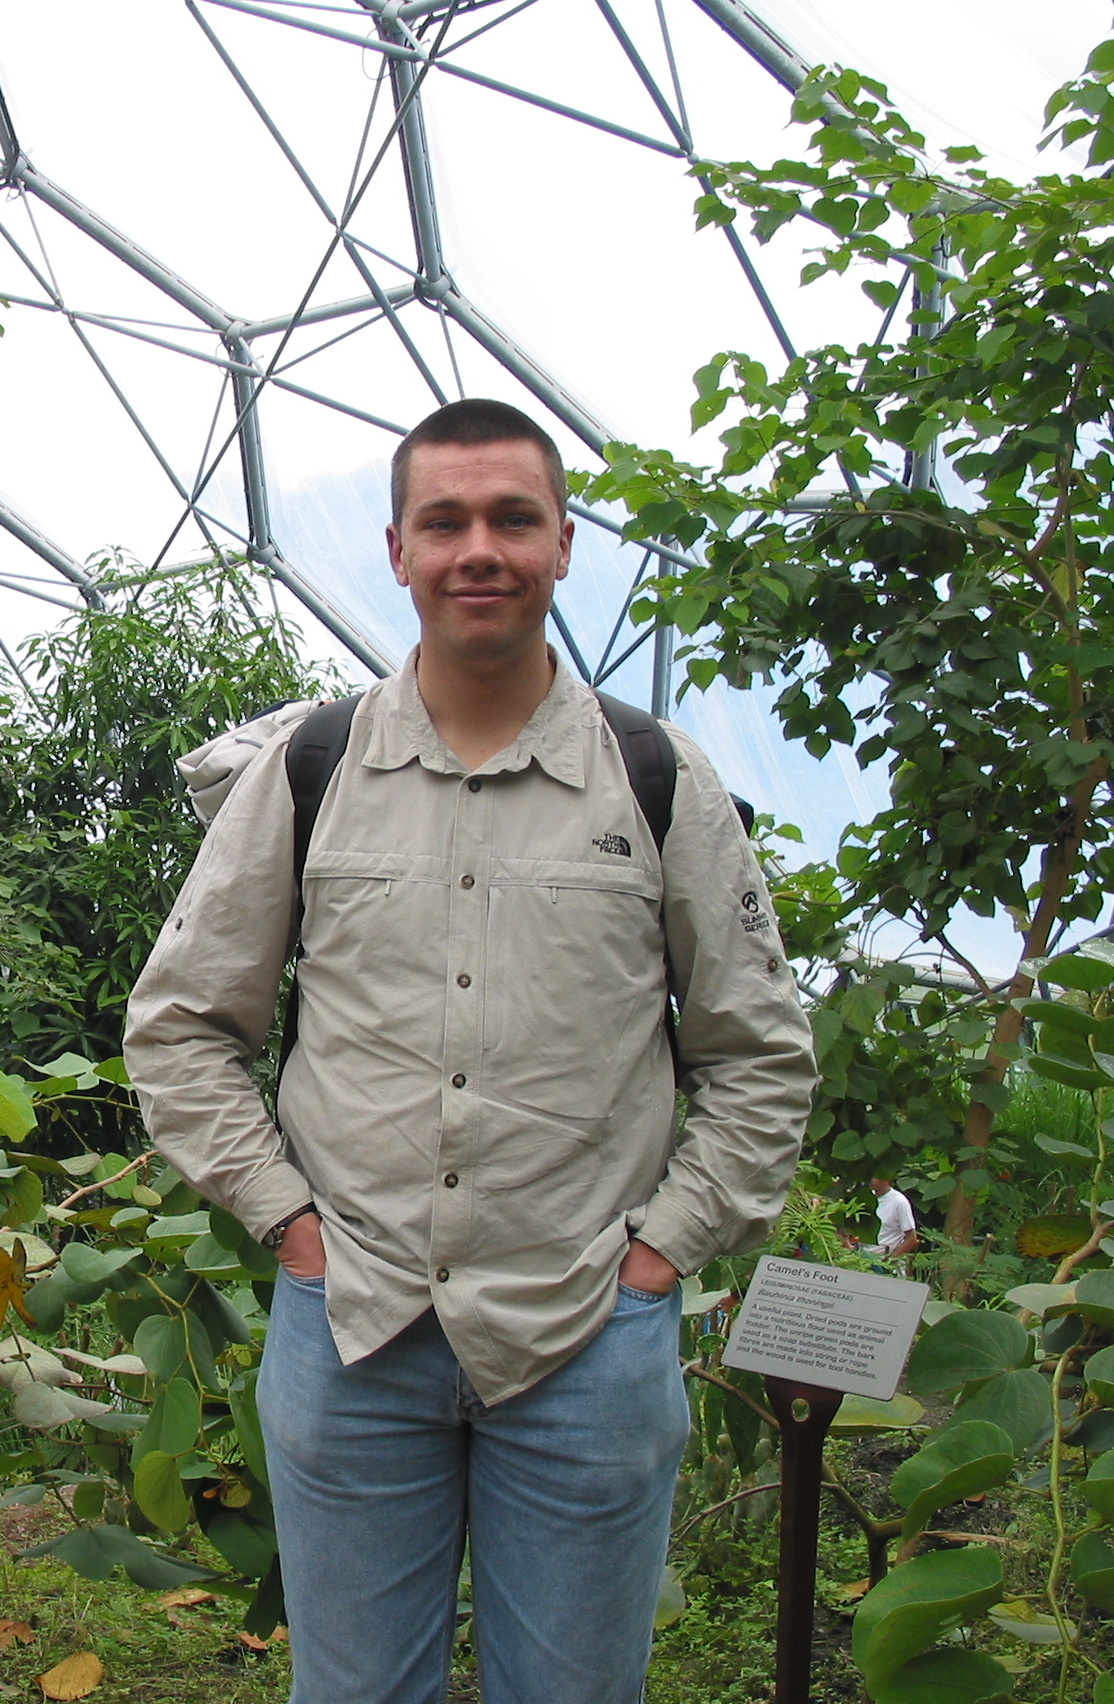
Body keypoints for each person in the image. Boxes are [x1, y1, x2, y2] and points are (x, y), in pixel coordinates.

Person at [123, 397, 818, 1704]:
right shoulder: (313, 768)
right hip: (354, 1327)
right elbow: (182, 1024)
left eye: (512, 518)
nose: (478, 550)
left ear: (564, 544)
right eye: (443, 522)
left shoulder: (655, 778)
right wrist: (289, 1227)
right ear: (398, 551)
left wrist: (664, 1254)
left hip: (587, 1334)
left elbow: (759, 1052)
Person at [866, 1176, 920, 1268]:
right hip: (862, 1258)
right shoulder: (865, 1198)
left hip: (884, 1261)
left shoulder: (899, 1202)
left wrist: (889, 1262)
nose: (871, 1179)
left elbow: (912, 1239)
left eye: (875, 1176)